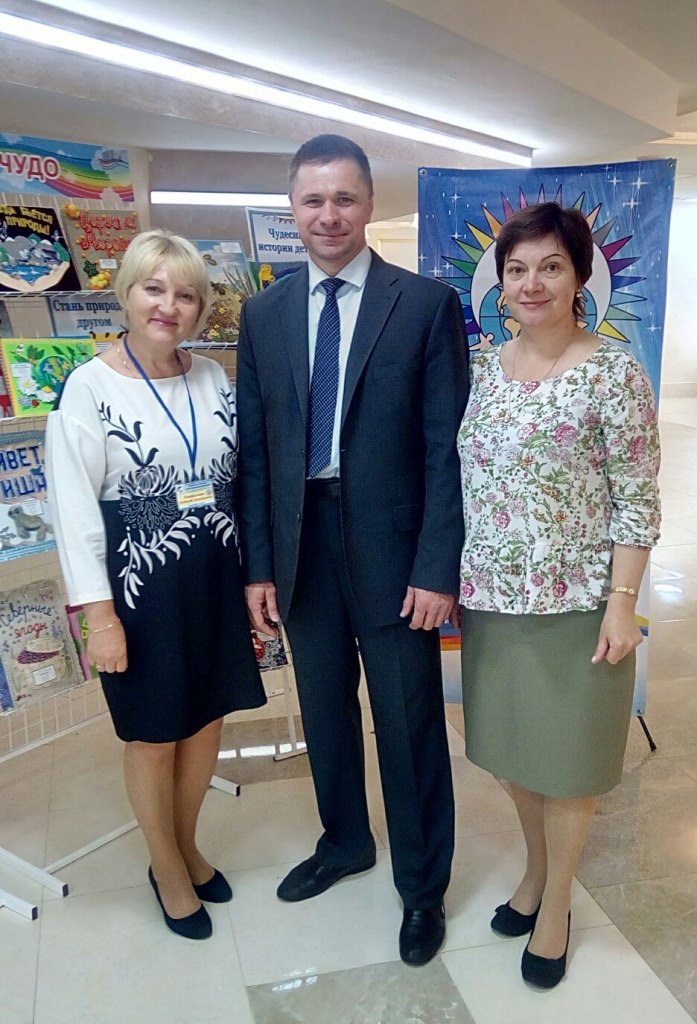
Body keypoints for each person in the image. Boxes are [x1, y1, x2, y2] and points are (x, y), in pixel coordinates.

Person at [237, 134, 468, 966]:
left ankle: (422, 889)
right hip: (299, 548)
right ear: (292, 209)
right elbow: (255, 453)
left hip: (395, 553)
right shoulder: (263, 314)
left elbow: (447, 449)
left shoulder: (425, 305)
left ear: (368, 203)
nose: (328, 214)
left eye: (343, 198)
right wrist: (257, 566)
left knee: (407, 722)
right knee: (325, 710)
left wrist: (436, 567)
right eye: (312, 200)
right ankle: (343, 842)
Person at [457, 202, 661, 988]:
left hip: (579, 603)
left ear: (579, 277)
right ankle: (537, 871)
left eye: (549, 267)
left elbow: (635, 499)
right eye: (515, 269)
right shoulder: (478, 370)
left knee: (568, 764)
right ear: (499, 283)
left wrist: (622, 601)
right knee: (511, 754)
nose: (530, 283)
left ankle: (554, 911)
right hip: (492, 597)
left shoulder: (613, 372)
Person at [46, 229, 266, 940]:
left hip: (213, 574)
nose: (169, 306)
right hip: (141, 587)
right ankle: (165, 866)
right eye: (154, 288)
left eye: (186, 295)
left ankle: (188, 845)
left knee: (206, 722)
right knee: (153, 734)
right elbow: (74, 510)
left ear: (201, 308)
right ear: (127, 293)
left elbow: (236, 477)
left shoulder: (212, 378)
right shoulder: (88, 387)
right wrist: (99, 617)